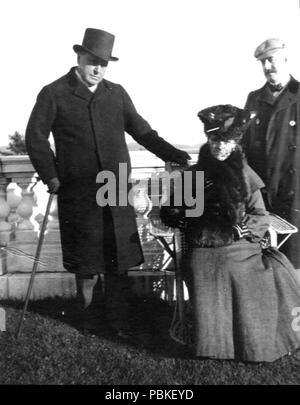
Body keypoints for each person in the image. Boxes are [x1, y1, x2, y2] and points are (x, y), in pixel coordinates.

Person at [25, 28, 190, 338]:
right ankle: (89, 322)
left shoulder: (116, 93)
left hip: (114, 187)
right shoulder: (54, 92)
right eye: (92, 62)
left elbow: (142, 132)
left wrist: (174, 154)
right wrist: (52, 176)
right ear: (79, 57)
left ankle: (120, 321)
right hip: (78, 190)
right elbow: (35, 138)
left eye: (104, 64)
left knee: (118, 260)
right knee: (85, 262)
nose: (98, 70)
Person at [160, 104, 300, 362]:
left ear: (236, 142)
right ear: (208, 138)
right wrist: (183, 216)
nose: (220, 147)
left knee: (257, 277)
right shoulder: (194, 175)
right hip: (202, 248)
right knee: (206, 269)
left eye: (227, 141)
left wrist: (241, 229)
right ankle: (215, 347)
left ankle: (253, 346)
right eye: (215, 139)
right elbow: (170, 210)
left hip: (240, 247)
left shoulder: (246, 175)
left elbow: (260, 215)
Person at [243, 38, 300, 269]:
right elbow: (244, 146)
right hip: (263, 192)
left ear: (286, 60)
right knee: (264, 258)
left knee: (294, 258)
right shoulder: (254, 99)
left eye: (271, 60)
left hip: (294, 190)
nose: (267, 67)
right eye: (263, 62)